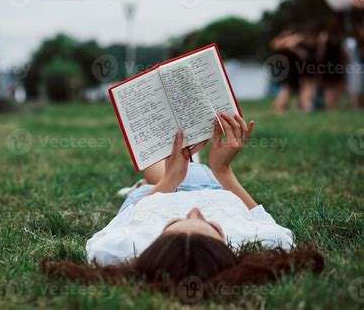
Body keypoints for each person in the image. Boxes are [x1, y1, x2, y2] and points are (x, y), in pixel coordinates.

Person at [41, 114, 323, 298]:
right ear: (227, 247)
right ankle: (186, 158)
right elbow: (267, 222)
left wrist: (170, 182)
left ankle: (148, 179)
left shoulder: (122, 247)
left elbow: (123, 222)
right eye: (211, 225)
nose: (193, 212)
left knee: (157, 164)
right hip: (215, 185)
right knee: (189, 164)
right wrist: (223, 171)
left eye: (175, 222)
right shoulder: (261, 240)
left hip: (157, 193)